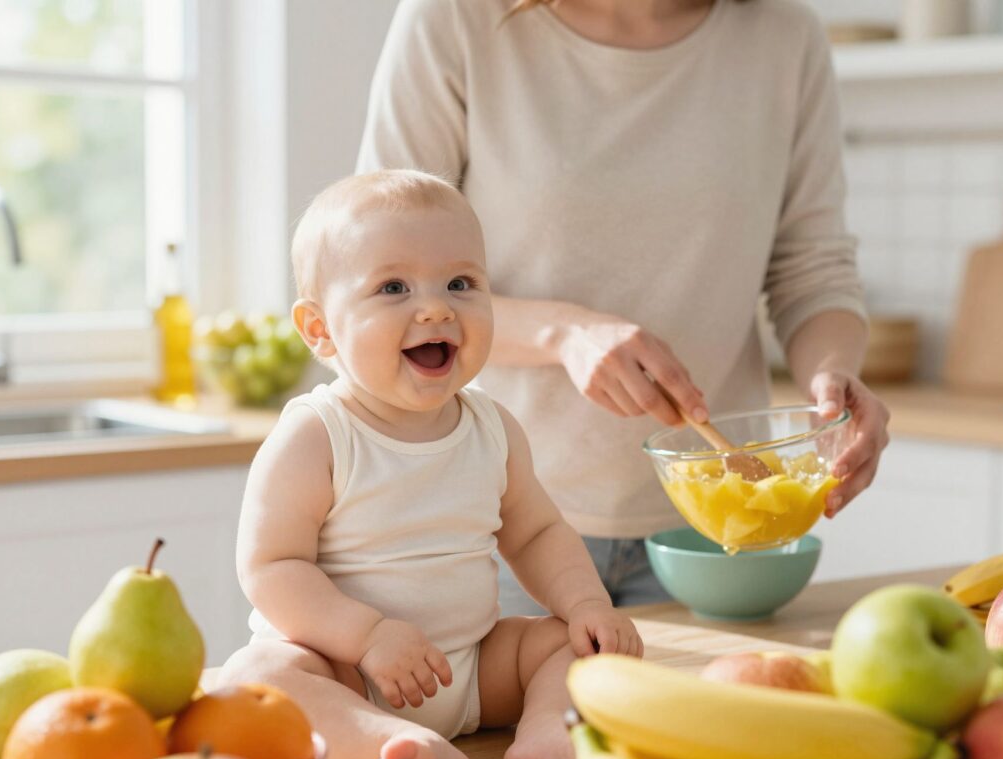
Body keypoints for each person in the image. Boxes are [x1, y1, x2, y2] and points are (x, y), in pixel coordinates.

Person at [356, 0, 890, 613]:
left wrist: (834, 378)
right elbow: (383, 279)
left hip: (715, 530)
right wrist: (565, 334)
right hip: (491, 524)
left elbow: (812, 267)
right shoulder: (454, 19)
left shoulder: (783, 36)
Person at [217, 169, 643, 759]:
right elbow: (271, 569)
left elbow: (537, 534)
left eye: (461, 282)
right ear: (320, 330)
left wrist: (585, 604)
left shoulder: (492, 428)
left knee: (565, 647)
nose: (437, 306)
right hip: (343, 672)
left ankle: (549, 732)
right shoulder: (316, 436)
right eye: (393, 287)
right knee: (253, 681)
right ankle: (384, 741)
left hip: (467, 672)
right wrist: (366, 638)